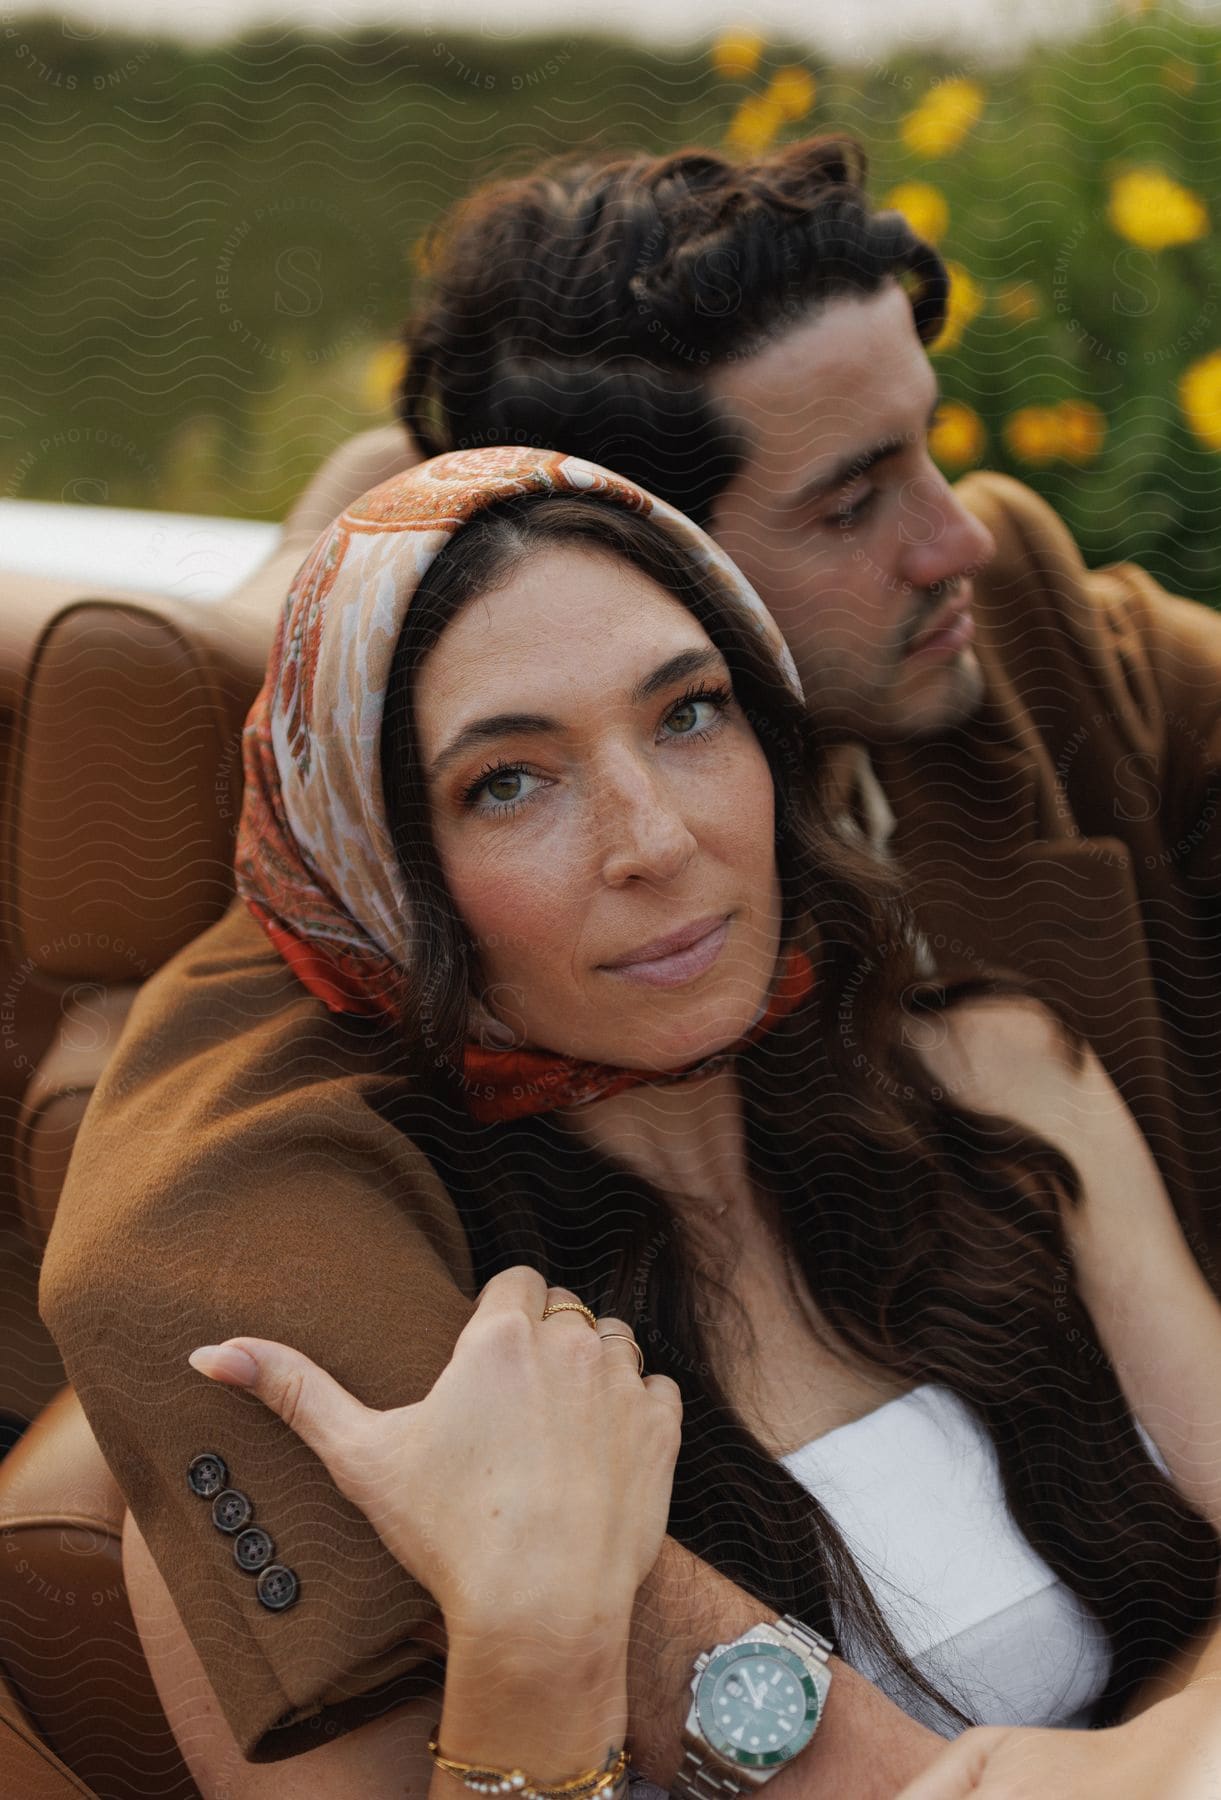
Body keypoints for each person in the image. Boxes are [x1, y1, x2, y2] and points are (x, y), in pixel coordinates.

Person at [51, 449, 1221, 1800]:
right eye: (509, 782)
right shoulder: (360, 1373)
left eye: (688, 714)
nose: (651, 837)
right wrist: (533, 1654)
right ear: (381, 877)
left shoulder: (994, 1080)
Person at [262, 135, 1221, 1264]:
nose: (956, 537)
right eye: (853, 505)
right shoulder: (395, 864)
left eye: (929, 447)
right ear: (637, 559)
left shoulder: (1031, 629)